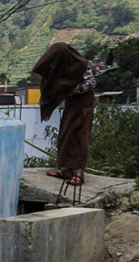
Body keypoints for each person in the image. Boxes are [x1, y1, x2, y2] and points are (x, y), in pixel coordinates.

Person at [33, 42, 104, 186]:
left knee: (79, 135)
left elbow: (88, 85)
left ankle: (79, 173)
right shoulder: (62, 67)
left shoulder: (82, 65)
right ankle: (67, 170)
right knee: (65, 134)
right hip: (71, 103)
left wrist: (64, 88)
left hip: (83, 102)